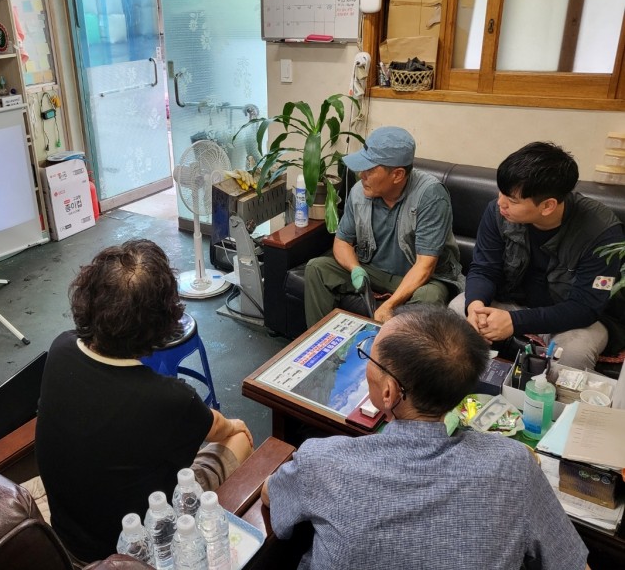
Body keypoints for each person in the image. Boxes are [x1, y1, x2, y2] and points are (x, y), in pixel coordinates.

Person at [261, 304, 589, 570]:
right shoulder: (515, 466)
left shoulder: (322, 462)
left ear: (389, 392)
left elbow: (271, 496)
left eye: (369, 355)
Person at [35, 239, 254, 564]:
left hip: (65, 539)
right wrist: (234, 425)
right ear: (163, 319)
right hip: (134, 549)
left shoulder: (60, 348)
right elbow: (221, 429)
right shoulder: (170, 399)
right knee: (240, 438)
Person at [449, 141, 625, 370]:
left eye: (512, 200)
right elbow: (484, 268)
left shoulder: (601, 232)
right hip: (512, 302)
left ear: (548, 206)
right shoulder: (498, 212)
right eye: (501, 192)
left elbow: (585, 307)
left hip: (570, 318)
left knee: (574, 352)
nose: (500, 203)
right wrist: (475, 306)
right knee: (458, 310)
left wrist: (515, 322)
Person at [304, 126, 463, 326]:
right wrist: (355, 269)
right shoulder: (359, 191)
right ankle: (320, 340)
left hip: (422, 278)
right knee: (317, 268)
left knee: (429, 297)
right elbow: (342, 242)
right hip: (374, 271)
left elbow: (425, 266)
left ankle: (394, 347)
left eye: (369, 170)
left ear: (397, 175)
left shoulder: (430, 196)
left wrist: (389, 305)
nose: (361, 175)